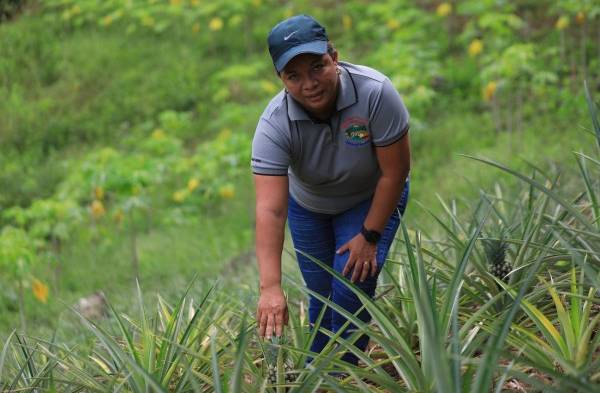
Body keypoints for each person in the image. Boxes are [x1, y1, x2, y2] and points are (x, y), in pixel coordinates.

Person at [252, 14, 410, 366]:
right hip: (309, 206)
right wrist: (270, 288)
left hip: (371, 195)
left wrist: (369, 235)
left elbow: (396, 171)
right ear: (281, 79)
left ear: (334, 58)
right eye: (294, 75)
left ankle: (337, 374)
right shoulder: (274, 125)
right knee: (322, 296)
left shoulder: (375, 93)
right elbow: (270, 210)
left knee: (351, 286)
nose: (309, 84)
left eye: (317, 67)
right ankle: (321, 373)